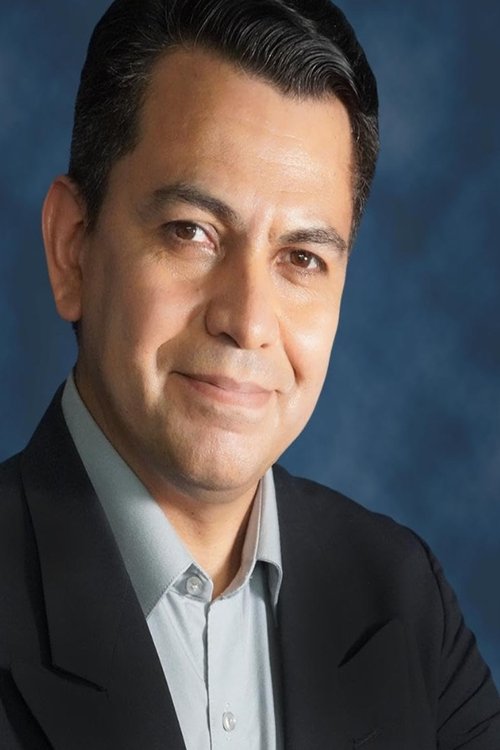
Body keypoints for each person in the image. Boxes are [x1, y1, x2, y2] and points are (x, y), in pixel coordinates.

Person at [1, 0, 499, 747]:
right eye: (192, 232)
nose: (248, 319)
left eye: (302, 257)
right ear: (73, 247)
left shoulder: (402, 599)